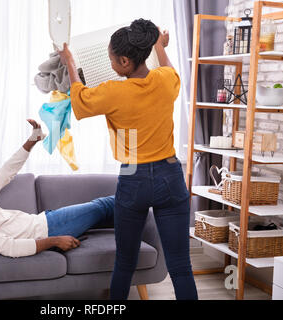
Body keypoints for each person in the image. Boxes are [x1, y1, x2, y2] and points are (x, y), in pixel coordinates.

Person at [59, 19, 198, 300]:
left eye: (111, 59)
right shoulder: (165, 81)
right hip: (170, 176)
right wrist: (160, 43)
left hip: (133, 178)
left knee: (125, 262)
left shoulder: (114, 92)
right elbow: (169, 68)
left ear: (124, 61)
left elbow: (80, 103)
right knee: (181, 266)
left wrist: (70, 63)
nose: (110, 64)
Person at [0, 119, 114, 258]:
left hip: (46, 220)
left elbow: (6, 171)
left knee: (110, 216)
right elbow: (8, 247)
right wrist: (55, 240)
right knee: (104, 205)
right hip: (50, 229)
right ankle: (140, 197)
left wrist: (32, 140)